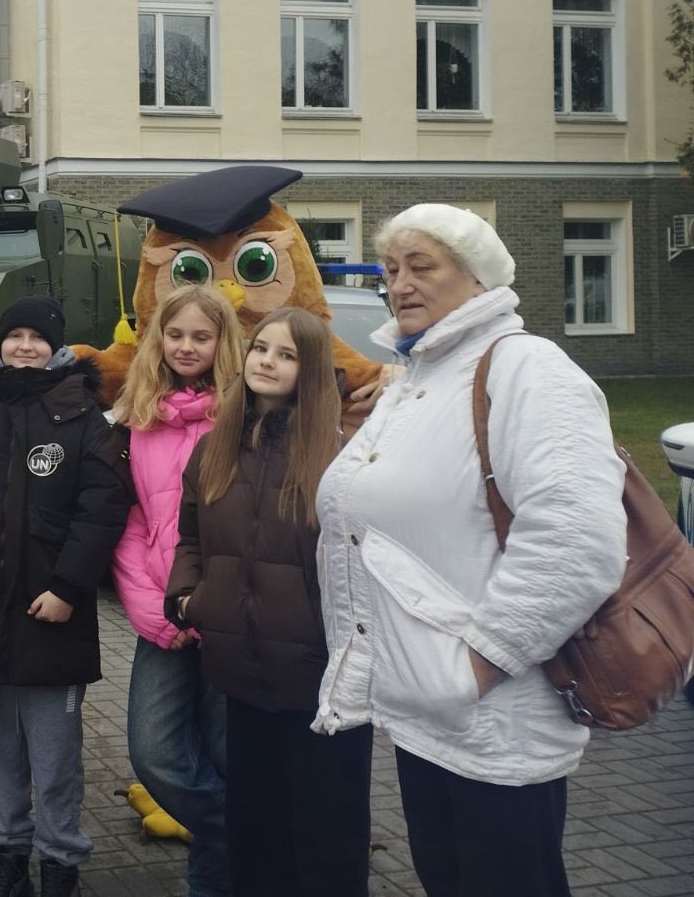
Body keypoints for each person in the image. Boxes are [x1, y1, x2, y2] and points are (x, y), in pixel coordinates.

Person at [313, 205, 628, 897]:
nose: (400, 284)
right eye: (392, 269)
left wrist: (477, 667)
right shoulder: (418, 379)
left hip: (494, 718)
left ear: (478, 275)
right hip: (429, 717)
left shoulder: (527, 368)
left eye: (422, 266)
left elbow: (577, 539)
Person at [0, 296, 130, 897]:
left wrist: (68, 587)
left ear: (56, 348)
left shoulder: (83, 415)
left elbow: (101, 508)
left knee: (55, 754)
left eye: (39, 338)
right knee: (0, 747)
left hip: (52, 613)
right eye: (15, 336)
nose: (26, 347)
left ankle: (60, 860)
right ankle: (7, 855)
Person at [166, 306, 369, 897]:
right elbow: (191, 535)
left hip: (319, 680)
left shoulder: (339, 455)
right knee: (256, 830)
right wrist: (189, 599)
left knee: (326, 836)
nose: (268, 362)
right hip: (241, 670)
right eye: (260, 348)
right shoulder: (216, 447)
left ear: (312, 368)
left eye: (287, 355)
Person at [109, 286, 243, 897]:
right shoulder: (138, 415)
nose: (186, 347)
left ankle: (216, 881)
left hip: (226, 616)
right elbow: (133, 521)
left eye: (201, 336)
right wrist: (155, 608)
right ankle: (244, 832)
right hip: (163, 615)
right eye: (176, 334)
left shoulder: (243, 414)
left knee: (223, 752)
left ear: (222, 343)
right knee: (154, 752)